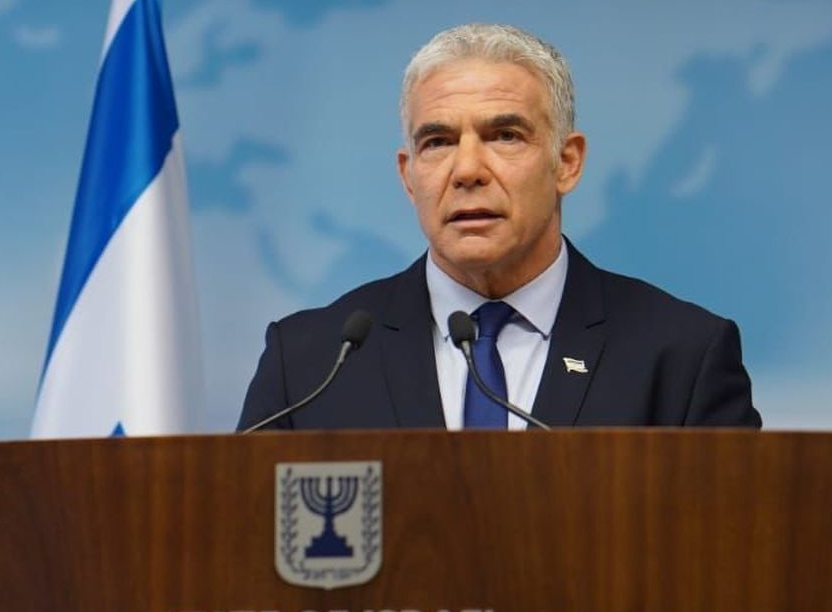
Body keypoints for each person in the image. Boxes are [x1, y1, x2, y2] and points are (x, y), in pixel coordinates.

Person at [236, 22, 761, 430]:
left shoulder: (680, 356)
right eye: (438, 142)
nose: (467, 170)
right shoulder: (310, 363)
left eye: (505, 136)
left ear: (567, 162)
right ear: (408, 176)